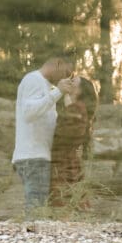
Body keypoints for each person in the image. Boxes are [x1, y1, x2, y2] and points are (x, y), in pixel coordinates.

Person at [12, 57, 75, 216]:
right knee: (36, 211)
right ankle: (30, 239)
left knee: (38, 208)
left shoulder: (45, 86)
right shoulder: (34, 80)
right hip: (33, 157)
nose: (66, 78)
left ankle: (31, 237)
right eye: (66, 73)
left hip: (37, 157)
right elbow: (29, 113)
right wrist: (58, 92)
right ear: (57, 64)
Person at [50, 77, 98, 209]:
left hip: (64, 165)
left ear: (80, 91)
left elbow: (66, 135)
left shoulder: (76, 108)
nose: (68, 83)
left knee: (63, 206)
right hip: (68, 163)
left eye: (73, 82)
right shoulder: (74, 107)